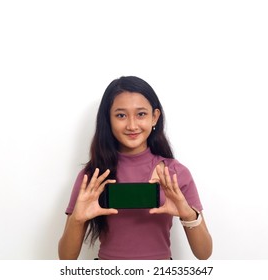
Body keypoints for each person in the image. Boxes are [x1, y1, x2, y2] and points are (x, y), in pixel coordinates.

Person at [58, 76, 212, 260]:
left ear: (154, 117)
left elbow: (204, 254)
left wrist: (188, 214)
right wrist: (77, 219)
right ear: (108, 119)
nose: (132, 125)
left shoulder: (175, 173)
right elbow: (66, 260)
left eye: (141, 114)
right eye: (121, 115)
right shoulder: (93, 177)